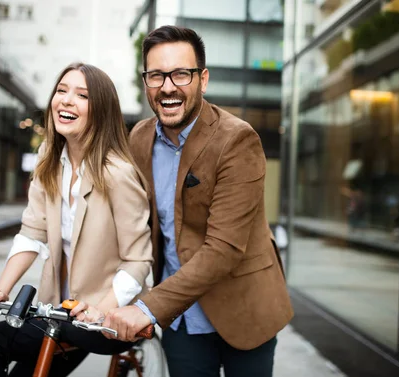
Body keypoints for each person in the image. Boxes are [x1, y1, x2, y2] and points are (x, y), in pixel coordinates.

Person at [102, 26, 293, 377]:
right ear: (146, 82)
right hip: (181, 321)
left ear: (202, 80)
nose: (168, 86)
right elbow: (125, 222)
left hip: (245, 309)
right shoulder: (139, 138)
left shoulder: (238, 140)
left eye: (181, 74)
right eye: (156, 75)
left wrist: (146, 308)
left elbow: (223, 248)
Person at [0, 62, 153, 377]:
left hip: (105, 319)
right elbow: (32, 231)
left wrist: (99, 310)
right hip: (57, 313)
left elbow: (138, 260)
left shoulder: (117, 173)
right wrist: (2, 287)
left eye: (81, 95)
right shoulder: (49, 161)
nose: (65, 100)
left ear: (101, 111)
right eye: (61, 91)